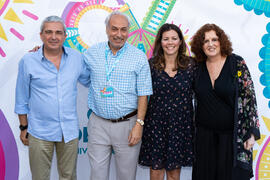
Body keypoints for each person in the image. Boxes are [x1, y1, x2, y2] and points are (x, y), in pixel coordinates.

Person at [14, 16, 90, 180]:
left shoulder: (76, 58)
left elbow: (90, 79)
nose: (53, 37)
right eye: (48, 32)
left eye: (58, 32)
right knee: (40, 177)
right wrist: (23, 127)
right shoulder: (28, 61)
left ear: (64, 36)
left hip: (68, 131)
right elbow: (21, 98)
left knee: (68, 176)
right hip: (39, 132)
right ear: (41, 35)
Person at [83, 11, 152, 180]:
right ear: (107, 29)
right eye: (114, 29)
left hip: (127, 125)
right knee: (97, 175)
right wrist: (42, 51)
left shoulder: (139, 57)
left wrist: (139, 124)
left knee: (126, 176)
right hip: (98, 123)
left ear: (128, 31)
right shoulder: (91, 53)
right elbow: (67, 61)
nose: (119, 35)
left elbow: (143, 94)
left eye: (123, 30)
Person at [190, 23, 260, 180]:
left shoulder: (237, 64)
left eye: (214, 39)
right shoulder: (196, 67)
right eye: (205, 41)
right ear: (200, 45)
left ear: (221, 41)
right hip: (204, 137)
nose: (210, 44)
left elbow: (249, 98)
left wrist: (252, 133)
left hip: (232, 138)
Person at [139, 23, 196, 180]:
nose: (170, 42)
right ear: (160, 42)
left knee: (173, 174)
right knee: (156, 173)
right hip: (156, 125)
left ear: (180, 41)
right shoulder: (151, 65)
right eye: (166, 39)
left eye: (174, 38)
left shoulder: (191, 65)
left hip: (181, 126)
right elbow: (142, 95)